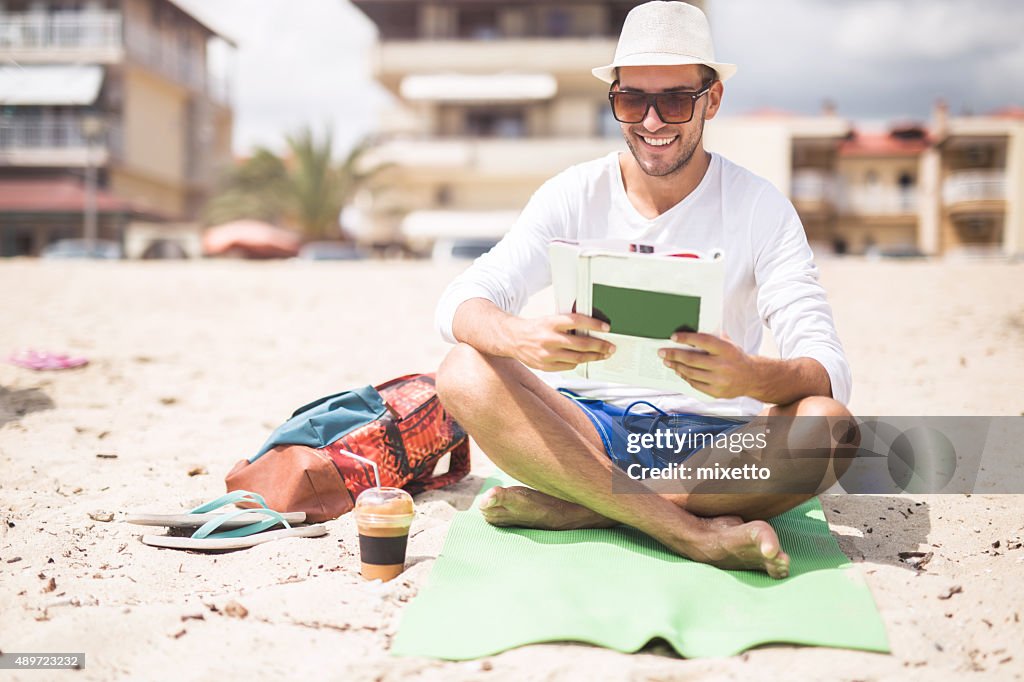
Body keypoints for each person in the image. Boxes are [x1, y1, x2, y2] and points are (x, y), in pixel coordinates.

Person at [433, 1, 854, 579]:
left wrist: (753, 377)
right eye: (632, 100)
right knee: (462, 368)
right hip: (590, 432)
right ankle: (688, 533)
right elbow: (461, 301)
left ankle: (589, 506)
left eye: (675, 100)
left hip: (720, 451)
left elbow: (827, 366)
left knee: (828, 428)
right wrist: (521, 337)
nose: (651, 122)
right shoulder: (573, 192)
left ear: (712, 99)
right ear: (614, 100)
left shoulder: (760, 207)